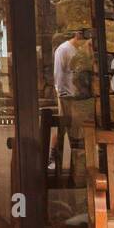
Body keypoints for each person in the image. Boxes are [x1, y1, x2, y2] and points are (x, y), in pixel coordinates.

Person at [50, 29, 89, 177]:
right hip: (68, 97)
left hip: (81, 97)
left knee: (77, 134)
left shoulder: (84, 49)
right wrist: (63, 96)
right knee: (65, 130)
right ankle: (55, 161)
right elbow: (59, 76)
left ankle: (75, 169)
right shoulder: (64, 50)